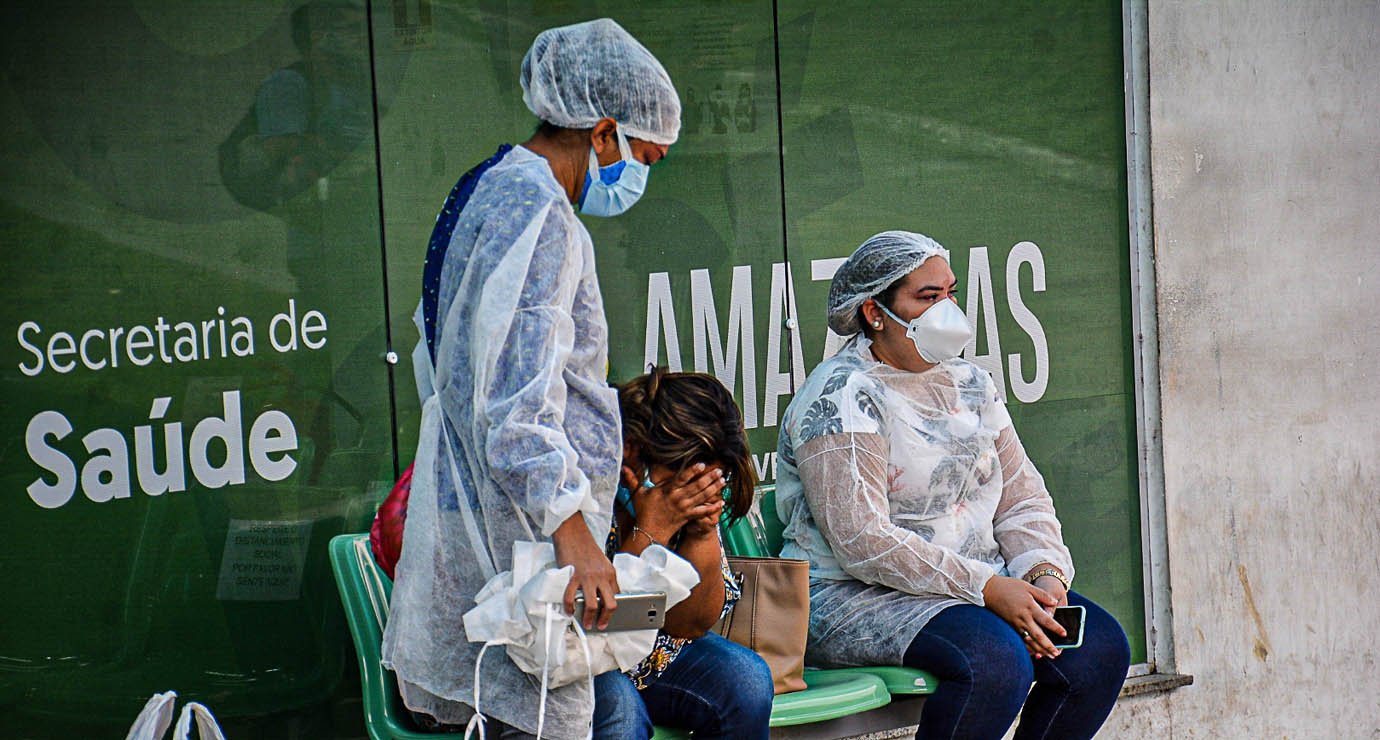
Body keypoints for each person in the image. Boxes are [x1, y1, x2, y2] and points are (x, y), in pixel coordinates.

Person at [380, 19, 684, 740]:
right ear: (602, 131)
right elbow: (517, 406)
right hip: (518, 535)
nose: (648, 168)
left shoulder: (487, 189)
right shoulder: (540, 216)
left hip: (490, 520)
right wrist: (572, 537)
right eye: (647, 154)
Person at [775, 231, 1130, 739]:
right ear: (875, 313)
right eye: (927, 297)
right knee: (995, 662)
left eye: (950, 293)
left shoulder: (969, 383)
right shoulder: (840, 396)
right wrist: (986, 588)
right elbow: (862, 541)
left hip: (972, 587)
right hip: (854, 593)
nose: (946, 309)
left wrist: (1044, 576)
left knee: (1096, 649)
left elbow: (1021, 496)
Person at [593, 368, 774, 738]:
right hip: (583, 656)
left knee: (746, 681)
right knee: (620, 709)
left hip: (652, 655)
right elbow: (598, 626)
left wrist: (701, 529)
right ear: (633, 449)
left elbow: (688, 624)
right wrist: (652, 529)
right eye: (680, 480)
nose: (690, 492)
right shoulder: (593, 485)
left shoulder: (695, 478)